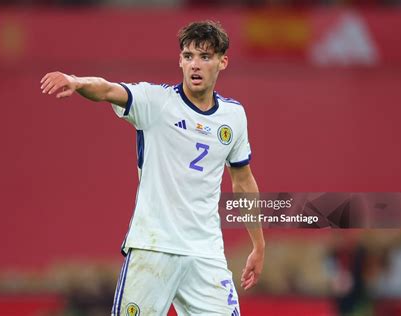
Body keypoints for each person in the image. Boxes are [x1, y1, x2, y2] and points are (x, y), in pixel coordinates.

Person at [40, 20, 265, 316]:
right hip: (153, 248)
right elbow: (108, 90)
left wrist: (258, 245)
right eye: (188, 56)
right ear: (180, 61)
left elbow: (243, 181)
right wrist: (77, 81)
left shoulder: (233, 116)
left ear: (223, 62)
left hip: (205, 253)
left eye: (205, 57)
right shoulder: (156, 102)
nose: (195, 65)